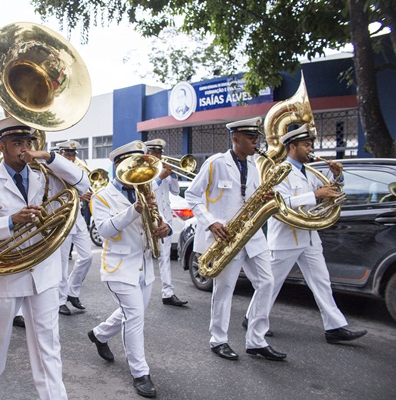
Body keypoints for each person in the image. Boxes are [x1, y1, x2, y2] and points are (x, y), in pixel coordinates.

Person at [0, 116, 89, 400]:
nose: (24, 149)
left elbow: (83, 183)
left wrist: (50, 156)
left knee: (48, 343)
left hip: (43, 274)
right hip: (6, 276)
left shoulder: (46, 175)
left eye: (28, 143)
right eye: (17, 143)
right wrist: (10, 222)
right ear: (1, 147)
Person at [185, 116, 287, 362]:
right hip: (224, 238)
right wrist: (211, 221)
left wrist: (263, 199)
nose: (255, 141)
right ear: (235, 138)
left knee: (267, 283)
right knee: (224, 289)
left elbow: (249, 198)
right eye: (250, 137)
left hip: (251, 236)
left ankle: (256, 341)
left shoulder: (254, 166)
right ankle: (218, 340)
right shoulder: (215, 163)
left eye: (256, 138)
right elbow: (192, 195)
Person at [264, 124, 367, 344]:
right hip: (286, 237)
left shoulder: (309, 171)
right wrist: (314, 194)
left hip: (309, 236)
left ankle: (334, 328)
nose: (310, 149)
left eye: (311, 145)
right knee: (271, 284)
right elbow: (279, 203)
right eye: (306, 145)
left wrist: (337, 178)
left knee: (321, 282)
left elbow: (330, 193)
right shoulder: (280, 171)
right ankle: (254, 319)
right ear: (293, 147)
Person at [88, 140, 171, 399]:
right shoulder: (101, 196)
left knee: (133, 312)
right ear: (117, 167)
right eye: (132, 166)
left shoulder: (146, 190)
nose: (139, 171)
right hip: (119, 267)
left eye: (142, 164)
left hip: (144, 266)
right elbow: (104, 231)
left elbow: (157, 220)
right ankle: (140, 373)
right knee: (134, 316)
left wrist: (164, 227)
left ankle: (99, 334)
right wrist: (135, 210)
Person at [144, 139, 188, 307]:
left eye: (159, 153)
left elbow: (175, 191)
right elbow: (148, 191)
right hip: (148, 219)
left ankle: (168, 292)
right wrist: (160, 178)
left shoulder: (164, 169)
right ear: (147, 154)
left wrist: (174, 175)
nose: (158, 156)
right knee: (145, 254)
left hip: (165, 218)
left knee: (165, 257)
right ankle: (141, 288)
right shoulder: (143, 171)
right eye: (154, 153)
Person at [56, 140, 94, 315]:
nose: (71, 158)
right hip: (62, 220)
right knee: (62, 263)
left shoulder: (78, 170)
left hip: (77, 218)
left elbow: (84, 186)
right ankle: (60, 300)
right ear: (60, 154)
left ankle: (72, 291)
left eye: (73, 154)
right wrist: (79, 192)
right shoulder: (54, 170)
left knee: (87, 257)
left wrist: (86, 193)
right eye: (68, 154)